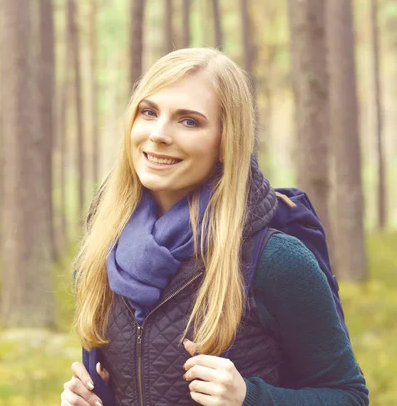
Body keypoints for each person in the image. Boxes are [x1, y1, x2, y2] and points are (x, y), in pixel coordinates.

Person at [60, 48, 368, 406]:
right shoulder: (102, 251)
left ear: (226, 142)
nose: (159, 134)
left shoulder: (275, 260)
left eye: (189, 121)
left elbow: (349, 396)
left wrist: (249, 398)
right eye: (149, 112)